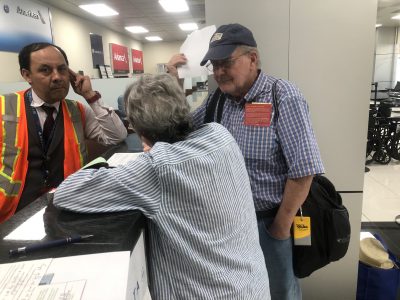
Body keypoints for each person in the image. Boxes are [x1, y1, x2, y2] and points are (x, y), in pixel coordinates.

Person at [53, 73, 271, 299]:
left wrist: (143, 153)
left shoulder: (157, 168)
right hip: (254, 286)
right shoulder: (221, 135)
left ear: (139, 129)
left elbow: (67, 193)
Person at [167, 23, 325, 300]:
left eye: (226, 63)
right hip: (229, 224)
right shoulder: (220, 100)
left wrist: (279, 228)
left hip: (269, 223)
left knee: (280, 292)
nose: (218, 72)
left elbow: (303, 170)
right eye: (214, 65)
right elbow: (180, 128)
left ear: (252, 59)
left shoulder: (283, 96)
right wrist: (174, 82)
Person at [0, 42, 127, 223]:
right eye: (45, 70)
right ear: (27, 75)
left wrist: (90, 95)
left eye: (62, 69)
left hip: (66, 205)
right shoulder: (4, 107)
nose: (57, 77)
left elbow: (117, 136)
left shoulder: (78, 110)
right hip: (12, 211)